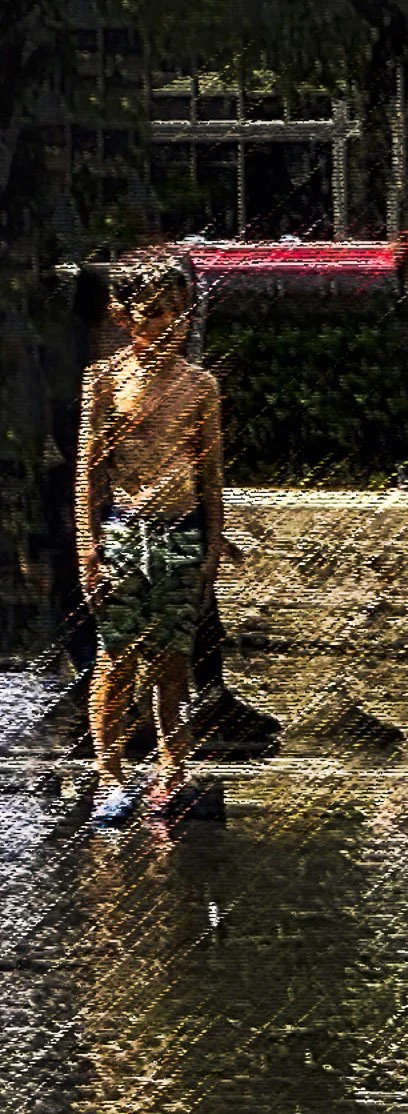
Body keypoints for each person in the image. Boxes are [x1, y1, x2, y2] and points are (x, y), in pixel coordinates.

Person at [76, 247, 224, 827]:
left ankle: (171, 769)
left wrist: (214, 541)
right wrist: (89, 551)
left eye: (176, 312)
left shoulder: (200, 386)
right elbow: (90, 472)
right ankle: (109, 772)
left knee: (174, 661)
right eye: (155, 312)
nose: (168, 324)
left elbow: (210, 470)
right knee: (116, 659)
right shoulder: (106, 382)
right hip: (124, 532)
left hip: (180, 532)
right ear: (124, 317)